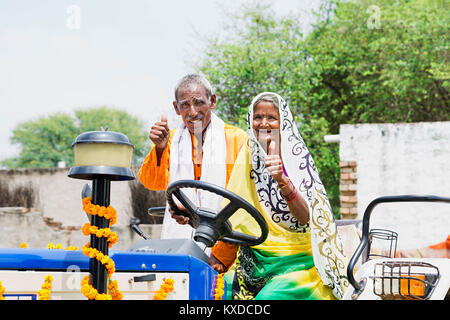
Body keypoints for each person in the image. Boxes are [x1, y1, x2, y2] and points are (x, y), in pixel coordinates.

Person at [215, 92, 348, 299]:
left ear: (283, 122)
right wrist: (217, 257)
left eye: (271, 118)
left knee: (266, 300)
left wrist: (281, 179)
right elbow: (234, 217)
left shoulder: (296, 158)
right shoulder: (246, 155)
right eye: (258, 117)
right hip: (255, 259)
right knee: (214, 290)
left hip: (298, 260)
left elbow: (306, 218)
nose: (263, 123)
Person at [138, 74, 247, 272]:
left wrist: (220, 256)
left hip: (227, 253)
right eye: (185, 105)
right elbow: (151, 182)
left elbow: (242, 202)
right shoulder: (170, 140)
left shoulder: (236, 140)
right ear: (176, 108)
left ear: (212, 101)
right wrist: (160, 149)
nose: (192, 112)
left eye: (198, 103)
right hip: (178, 248)